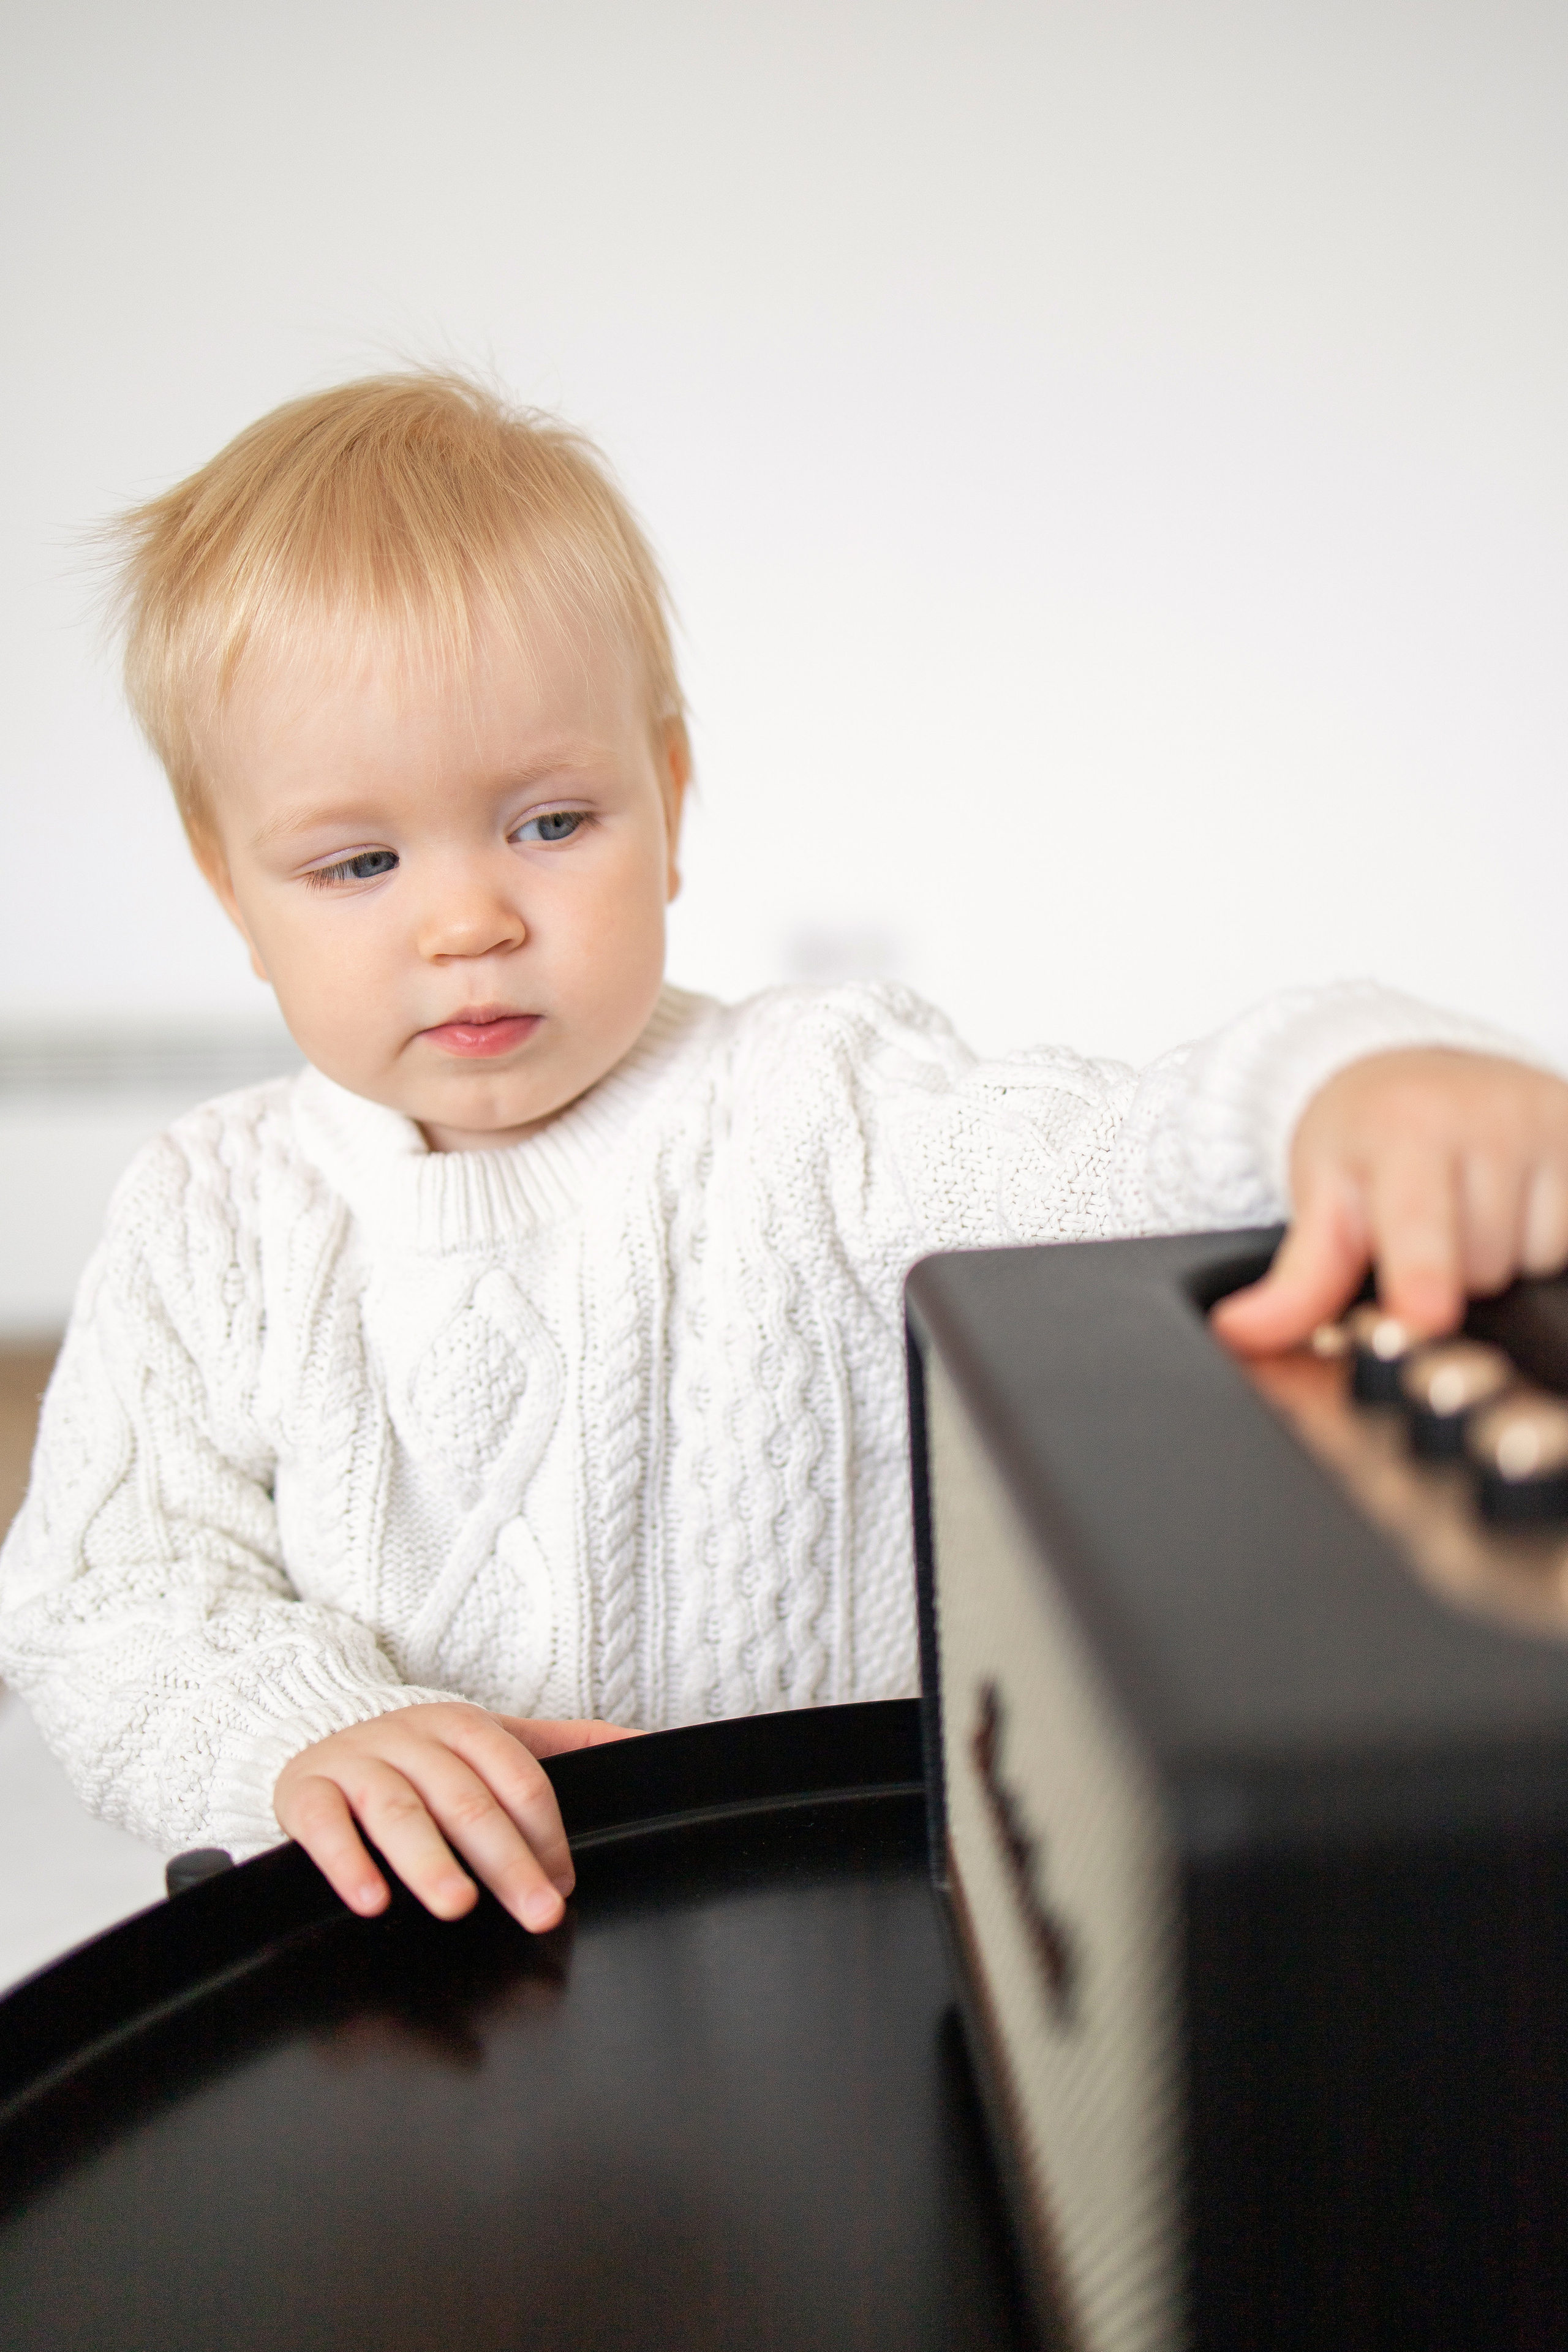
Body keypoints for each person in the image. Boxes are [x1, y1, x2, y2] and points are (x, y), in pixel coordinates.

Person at [2, 372, 1564, 1940]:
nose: (467, 921)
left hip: (839, 1924)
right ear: (231, 889)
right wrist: (302, 1726)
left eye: (549, 824)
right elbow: (101, 1601)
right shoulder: (209, 1219)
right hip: (423, 1966)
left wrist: (1336, 1081)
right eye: (358, 862)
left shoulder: (824, 1107)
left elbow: (1130, 1154)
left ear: (668, 800)